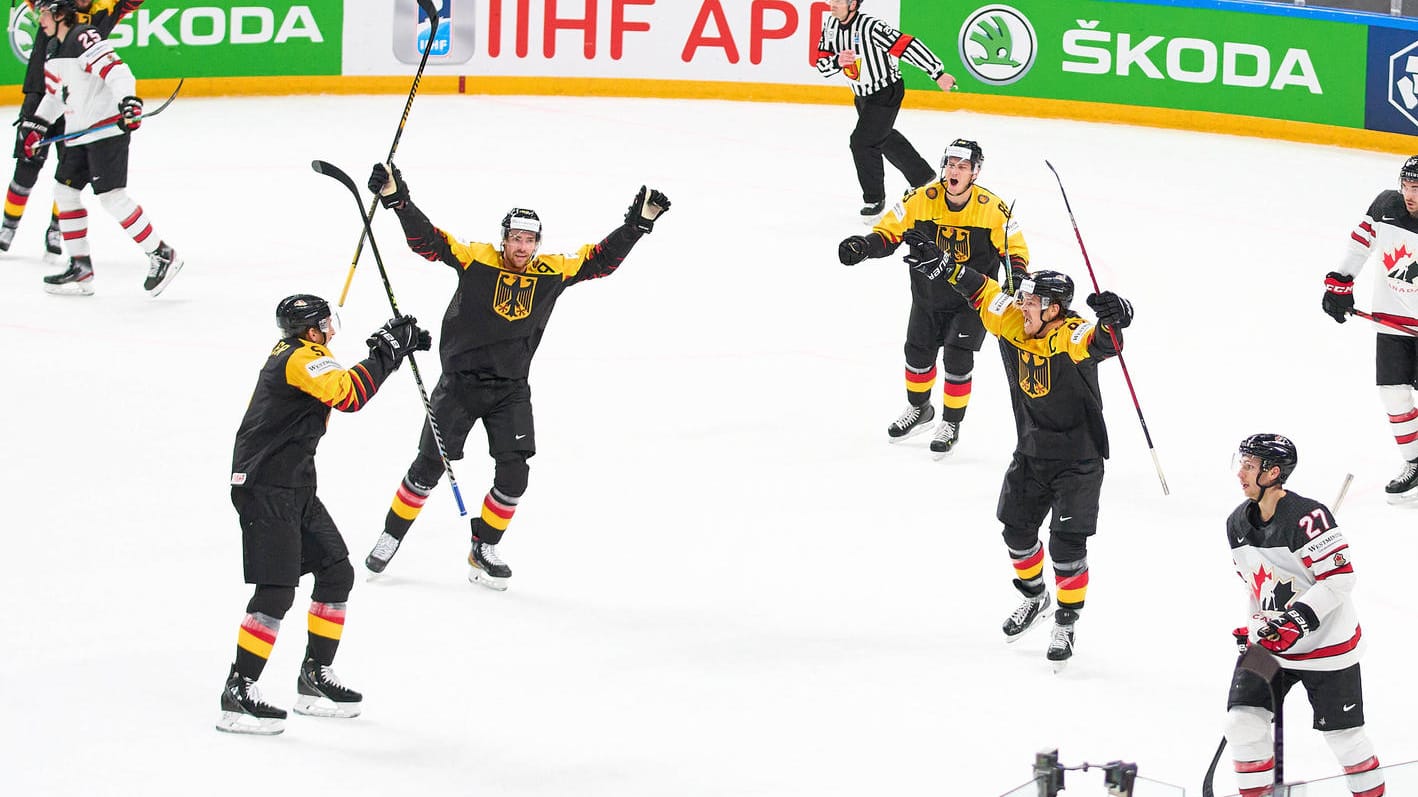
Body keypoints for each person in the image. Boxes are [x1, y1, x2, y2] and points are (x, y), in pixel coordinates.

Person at [361, 161, 670, 590]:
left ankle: (483, 546)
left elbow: (600, 261)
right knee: (428, 467)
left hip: (509, 390)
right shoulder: (476, 259)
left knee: (514, 474)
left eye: (529, 240)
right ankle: (390, 536)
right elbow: (428, 242)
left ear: (537, 243)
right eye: (515, 238)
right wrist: (398, 200)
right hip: (460, 385)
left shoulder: (552, 271)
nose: (521, 247)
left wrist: (636, 226)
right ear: (502, 239)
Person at [904, 231, 1132, 667]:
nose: (1022, 305)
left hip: (1079, 460)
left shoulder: (1069, 333)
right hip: (1031, 451)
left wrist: (1115, 320)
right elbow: (981, 289)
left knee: (1066, 546)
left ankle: (1066, 619)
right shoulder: (1011, 318)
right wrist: (942, 264)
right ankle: (1036, 597)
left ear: (1054, 308)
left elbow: (1102, 343)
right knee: (1016, 530)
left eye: (1031, 301)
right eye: (1023, 299)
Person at [218, 295, 430, 735]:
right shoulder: (299, 359)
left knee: (335, 572)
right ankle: (239, 691)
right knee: (275, 593)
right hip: (266, 487)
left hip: (295, 485)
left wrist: (390, 351)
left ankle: (314, 679)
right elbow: (349, 395)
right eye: (326, 325)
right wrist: (388, 351)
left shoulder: (304, 354)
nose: (332, 330)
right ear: (311, 331)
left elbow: (340, 380)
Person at [838, 139, 1027, 457]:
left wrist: (1016, 279)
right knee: (917, 355)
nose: (954, 171)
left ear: (974, 173)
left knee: (957, 356)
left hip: (972, 299)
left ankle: (951, 423)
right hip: (927, 298)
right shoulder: (921, 199)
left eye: (962, 167)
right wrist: (864, 247)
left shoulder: (992, 208)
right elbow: (888, 234)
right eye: (950, 164)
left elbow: (1015, 251)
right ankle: (920, 409)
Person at [1224, 434, 1385, 797]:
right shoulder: (1236, 524)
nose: (1240, 474)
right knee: (1242, 725)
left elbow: (1340, 578)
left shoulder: (1308, 518)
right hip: (1269, 650)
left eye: (1249, 466)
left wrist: (1298, 620)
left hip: (1328, 647)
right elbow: (1255, 586)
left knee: (1345, 740)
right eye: (1242, 464)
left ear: (1273, 472)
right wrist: (1254, 628)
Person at [22, 0, 182, 297]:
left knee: (112, 198)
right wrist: (37, 126)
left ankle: (161, 253)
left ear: (59, 13)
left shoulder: (85, 36)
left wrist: (128, 101)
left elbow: (117, 71)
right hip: (79, 134)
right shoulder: (53, 48)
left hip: (105, 131)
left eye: (43, 12)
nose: (39, 18)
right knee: (64, 192)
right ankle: (80, 265)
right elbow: (58, 95)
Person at [1, 0, 141, 262]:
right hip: (40, 93)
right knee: (27, 162)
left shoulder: (105, 11)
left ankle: (56, 229)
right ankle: (8, 225)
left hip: (77, 101)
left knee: (68, 173)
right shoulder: (55, 8)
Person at [1323, 155, 1418, 504]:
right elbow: (1359, 244)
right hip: (1393, 323)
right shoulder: (1386, 207)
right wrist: (1340, 284)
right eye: (1406, 186)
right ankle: (1415, 461)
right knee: (1393, 394)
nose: (1409, 195)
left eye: (1417, 188)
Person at [814, 0, 957, 219]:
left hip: (886, 92)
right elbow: (822, 64)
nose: (831, 4)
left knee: (862, 142)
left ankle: (874, 199)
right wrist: (836, 61)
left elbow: (907, 46)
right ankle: (921, 176)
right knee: (883, 136)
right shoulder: (831, 27)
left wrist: (937, 73)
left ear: (852, 4)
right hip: (862, 96)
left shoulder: (871, 27)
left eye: (838, 1)